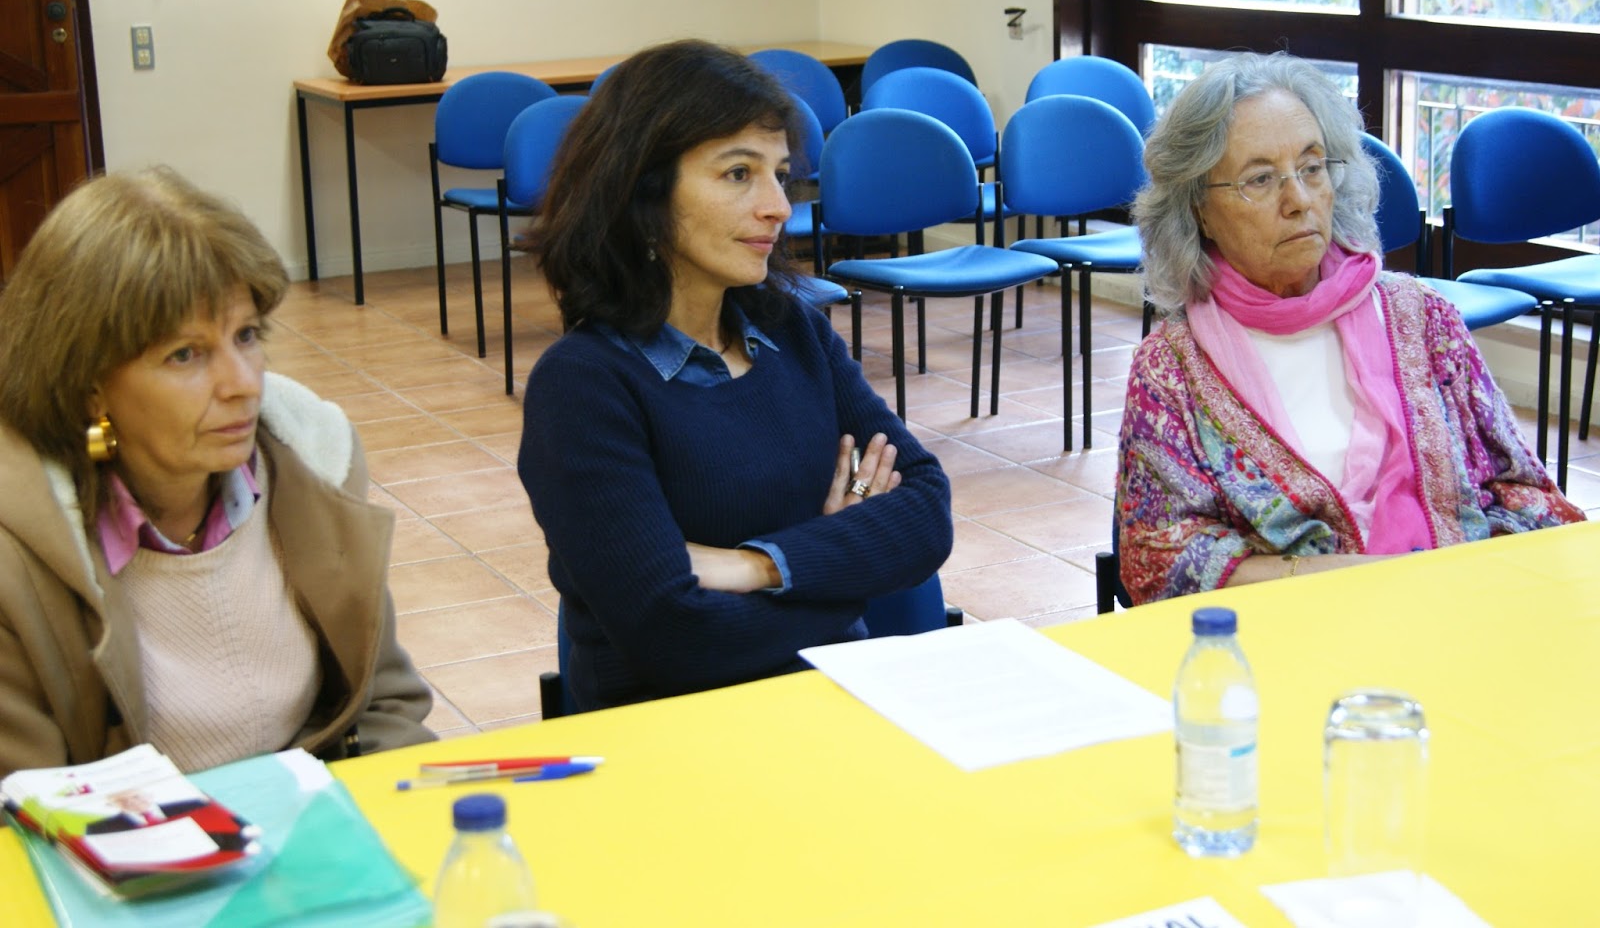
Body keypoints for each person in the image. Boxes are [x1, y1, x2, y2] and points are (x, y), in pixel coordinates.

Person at [518, 40, 953, 711]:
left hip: (838, 704)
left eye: (781, 174)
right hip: (678, 733)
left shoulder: (793, 330)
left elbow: (926, 512)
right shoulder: (583, 387)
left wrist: (757, 566)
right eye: (738, 173)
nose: (778, 206)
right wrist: (843, 572)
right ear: (642, 192)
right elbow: (674, 637)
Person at [0, 168, 434, 775]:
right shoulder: (16, 551)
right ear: (88, 385)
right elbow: (22, 805)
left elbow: (385, 703)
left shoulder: (308, 466)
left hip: (315, 819)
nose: (243, 383)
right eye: (186, 354)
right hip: (123, 836)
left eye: (246, 335)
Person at [1118, 51, 1582, 604]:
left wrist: (1469, 581)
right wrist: (1353, 580)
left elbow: (1526, 494)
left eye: (1312, 168)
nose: (1299, 200)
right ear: (1199, 211)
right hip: (1292, 630)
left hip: (1457, 609)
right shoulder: (1173, 370)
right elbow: (1159, 558)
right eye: (1260, 179)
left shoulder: (1423, 318)